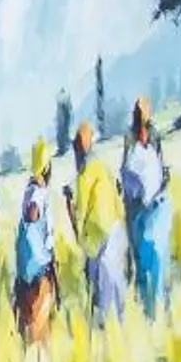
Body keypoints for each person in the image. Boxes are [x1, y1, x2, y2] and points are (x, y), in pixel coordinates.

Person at [67, 120, 128, 326]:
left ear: (78, 149)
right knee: (117, 284)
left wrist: (70, 207)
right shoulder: (102, 167)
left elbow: (81, 212)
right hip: (116, 229)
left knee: (102, 290)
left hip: (99, 236)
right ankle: (119, 327)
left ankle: (105, 332)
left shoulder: (84, 174)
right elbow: (117, 199)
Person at [121, 96, 173, 316]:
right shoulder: (131, 144)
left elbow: (160, 171)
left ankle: (159, 312)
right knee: (144, 266)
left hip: (155, 209)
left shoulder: (153, 140)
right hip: (139, 213)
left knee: (158, 264)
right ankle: (150, 314)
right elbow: (126, 178)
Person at [14, 141, 61, 347]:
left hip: (25, 270)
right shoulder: (38, 193)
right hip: (39, 268)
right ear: (46, 166)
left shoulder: (29, 189)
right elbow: (34, 213)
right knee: (40, 332)